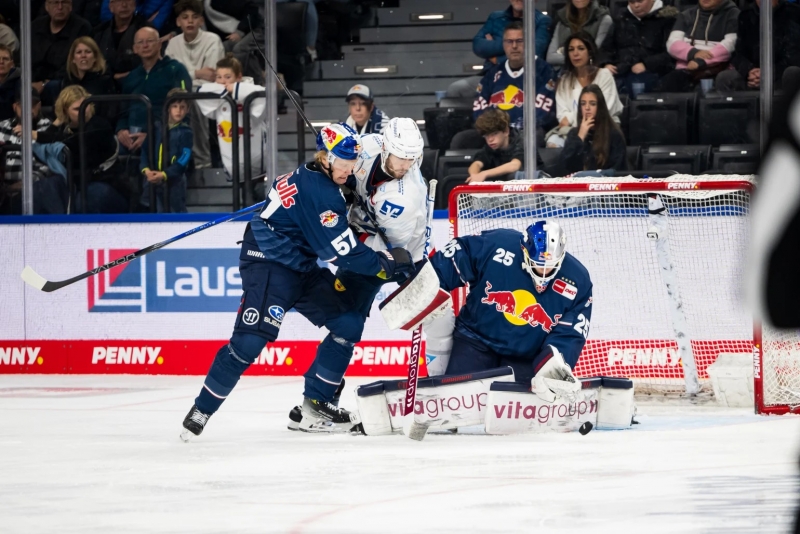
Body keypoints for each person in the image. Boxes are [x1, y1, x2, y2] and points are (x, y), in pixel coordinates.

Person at [180, 123, 416, 439]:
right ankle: (202, 409)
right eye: (345, 164)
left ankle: (315, 405)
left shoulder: (319, 178)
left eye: (353, 163)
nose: (350, 170)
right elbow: (343, 254)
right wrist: (387, 266)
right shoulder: (322, 193)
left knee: (347, 323)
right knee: (250, 341)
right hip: (269, 264)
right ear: (325, 158)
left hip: (300, 266)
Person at [287, 117, 430, 430]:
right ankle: (317, 400)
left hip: (394, 257)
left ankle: (317, 399)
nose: (405, 165)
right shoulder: (365, 147)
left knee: (348, 322)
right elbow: (333, 169)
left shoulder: (404, 197)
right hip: (363, 240)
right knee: (346, 322)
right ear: (385, 146)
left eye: (411, 160)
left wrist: (337, 227)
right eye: (400, 158)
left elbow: (378, 252)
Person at [427, 220, 593, 403]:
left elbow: (571, 334)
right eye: (538, 264)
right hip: (476, 341)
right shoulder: (497, 245)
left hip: (526, 356)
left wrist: (552, 364)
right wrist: (426, 284)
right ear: (524, 250)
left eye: (550, 266)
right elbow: (458, 254)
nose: (544, 272)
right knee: (453, 402)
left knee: (526, 411)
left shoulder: (578, 281)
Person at [37, 85, 128, 213]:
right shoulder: (62, 130)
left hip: (107, 185)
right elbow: (45, 150)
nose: (84, 111)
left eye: (87, 105)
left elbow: (78, 142)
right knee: (47, 186)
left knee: (87, 198)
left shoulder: (100, 125)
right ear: (65, 111)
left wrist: (39, 135)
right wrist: (57, 122)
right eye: (77, 109)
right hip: (76, 186)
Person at [165, 0, 225, 169]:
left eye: (194, 17)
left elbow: (211, 76)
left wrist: (187, 74)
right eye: (185, 17)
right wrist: (197, 73)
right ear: (178, 22)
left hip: (209, 92)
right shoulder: (173, 43)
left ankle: (202, 161)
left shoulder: (212, 40)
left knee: (193, 99)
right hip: (181, 92)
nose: (190, 21)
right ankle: (174, 161)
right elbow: (172, 75)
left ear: (201, 21)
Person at [473, 22, 557, 135]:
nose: (514, 46)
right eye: (509, 41)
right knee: (462, 140)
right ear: (503, 44)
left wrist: (511, 131)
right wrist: (494, 130)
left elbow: (542, 114)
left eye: (519, 41)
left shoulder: (544, 71)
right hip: (495, 133)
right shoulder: (493, 73)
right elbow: (479, 109)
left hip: (527, 133)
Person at [116, 26, 191, 154]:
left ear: (159, 44)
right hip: (131, 138)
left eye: (150, 41)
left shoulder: (176, 70)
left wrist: (152, 135)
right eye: (140, 42)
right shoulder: (131, 77)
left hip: (164, 136)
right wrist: (121, 130)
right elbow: (124, 110)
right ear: (135, 49)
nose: (145, 45)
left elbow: (182, 111)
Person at [547, 32, 623, 148]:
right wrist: (576, 122)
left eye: (581, 49)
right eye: (571, 50)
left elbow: (603, 111)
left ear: (590, 52)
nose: (575, 54)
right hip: (573, 131)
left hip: (603, 129)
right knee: (553, 143)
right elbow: (562, 118)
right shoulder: (564, 81)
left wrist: (571, 117)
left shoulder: (604, 75)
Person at [197, 55, 265, 181]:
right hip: (230, 155)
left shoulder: (252, 89)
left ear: (239, 77)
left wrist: (235, 89)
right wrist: (226, 91)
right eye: (219, 77)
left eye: (228, 77)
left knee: (257, 194)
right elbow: (201, 91)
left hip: (255, 155)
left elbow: (264, 94)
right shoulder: (217, 93)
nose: (223, 82)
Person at [0, 89, 63, 215]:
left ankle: (60, 230)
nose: (28, 109)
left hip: (34, 188)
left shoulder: (48, 129)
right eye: (22, 104)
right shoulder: (2, 127)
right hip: (4, 191)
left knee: (46, 186)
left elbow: (51, 164)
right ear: (14, 107)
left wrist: (26, 182)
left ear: (39, 106)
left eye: (32, 105)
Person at [715, 0, 800, 92]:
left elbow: (794, 56)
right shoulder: (745, 15)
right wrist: (749, 71)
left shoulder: (794, 13)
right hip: (752, 77)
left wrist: (768, 74)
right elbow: (739, 54)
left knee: (793, 73)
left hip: (780, 74)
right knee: (725, 78)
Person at [599, 0, 679, 97]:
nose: (636, 6)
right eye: (632, 2)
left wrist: (647, 64)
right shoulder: (620, 19)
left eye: (640, 1)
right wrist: (606, 63)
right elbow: (606, 49)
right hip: (620, 75)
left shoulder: (668, 19)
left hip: (655, 77)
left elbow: (672, 53)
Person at [657, 0, 739, 92]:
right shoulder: (686, 15)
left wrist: (701, 61)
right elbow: (672, 43)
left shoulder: (732, 14)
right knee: (670, 80)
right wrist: (694, 53)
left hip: (719, 66)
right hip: (687, 66)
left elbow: (730, 44)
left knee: (724, 79)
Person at [139, 88, 192, 213]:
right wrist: (146, 170)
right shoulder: (156, 127)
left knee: (176, 213)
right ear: (168, 107)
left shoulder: (186, 132)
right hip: (152, 179)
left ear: (188, 109)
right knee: (154, 212)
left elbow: (184, 159)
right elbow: (145, 150)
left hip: (174, 182)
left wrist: (165, 174)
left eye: (182, 107)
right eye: (174, 106)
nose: (178, 110)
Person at [31, 0, 93, 101]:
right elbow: (24, 58)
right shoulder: (35, 27)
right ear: (47, 6)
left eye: (64, 2)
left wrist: (44, 84)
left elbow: (75, 64)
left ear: (71, 6)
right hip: (33, 81)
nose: (60, 7)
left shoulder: (82, 27)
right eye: (55, 2)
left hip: (63, 81)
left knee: (54, 86)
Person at [559, 84, 627, 175]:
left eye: (592, 104)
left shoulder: (613, 134)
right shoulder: (574, 134)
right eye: (583, 103)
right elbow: (565, 167)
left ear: (600, 107)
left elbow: (617, 171)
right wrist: (580, 137)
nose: (587, 108)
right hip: (578, 186)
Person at [473, 0, 551, 69]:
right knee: (462, 85)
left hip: (525, 76)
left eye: (520, 40)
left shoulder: (543, 21)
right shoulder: (495, 17)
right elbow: (478, 46)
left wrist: (497, 59)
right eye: (509, 41)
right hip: (490, 73)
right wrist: (523, 44)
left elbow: (535, 53)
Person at [93, 0, 154, 85]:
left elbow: (151, 61)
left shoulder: (147, 30)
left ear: (135, 4)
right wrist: (111, 76)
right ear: (111, 6)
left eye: (128, 0)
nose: (124, 5)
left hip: (139, 85)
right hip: (105, 86)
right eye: (119, 1)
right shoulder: (99, 32)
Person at [57, 36, 117, 122]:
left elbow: (109, 113)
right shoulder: (67, 82)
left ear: (95, 58)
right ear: (73, 59)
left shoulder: (105, 81)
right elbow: (60, 111)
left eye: (88, 52)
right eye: (79, 52)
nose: (83, 56)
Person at [546, 0, 613, 68]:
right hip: (563, 73)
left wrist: (563, 52)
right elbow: (550, 57)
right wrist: (579, 55)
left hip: (590, 72)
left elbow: (594, 54)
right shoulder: (562, 20)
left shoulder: (604, 19)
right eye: (571, 49)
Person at [467, 109, 525, 183]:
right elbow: (477, 163)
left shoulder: (522, 141)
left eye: (494, 134)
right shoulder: (491, 147)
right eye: (486, 135)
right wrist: (474, 175)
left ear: (506, 131)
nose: (490, 139)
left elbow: (515, 165)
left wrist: (484, 174)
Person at [0, 43, 19, 122]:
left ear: (12, 64)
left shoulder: (20, 81)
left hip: (11, 123)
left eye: (5, 59)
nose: (1, 62)